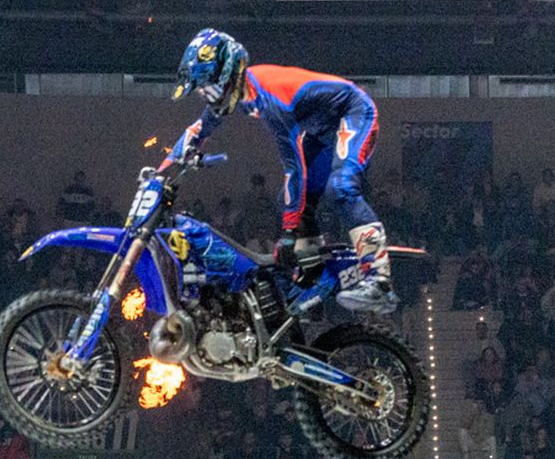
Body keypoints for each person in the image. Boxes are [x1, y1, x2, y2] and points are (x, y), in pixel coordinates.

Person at [168, 29, 395, 313]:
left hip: (353, 112)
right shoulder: (240, 90)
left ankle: (379, 279)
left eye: (209, 88)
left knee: (341, 187)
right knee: (288, 202)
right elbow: (201, 128)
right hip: (323, 130)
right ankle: (313, 269)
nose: (207, 96)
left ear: (226, 75)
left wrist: (288, 232)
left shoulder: (271, 100)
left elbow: (294, 168)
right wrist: (160, 172)